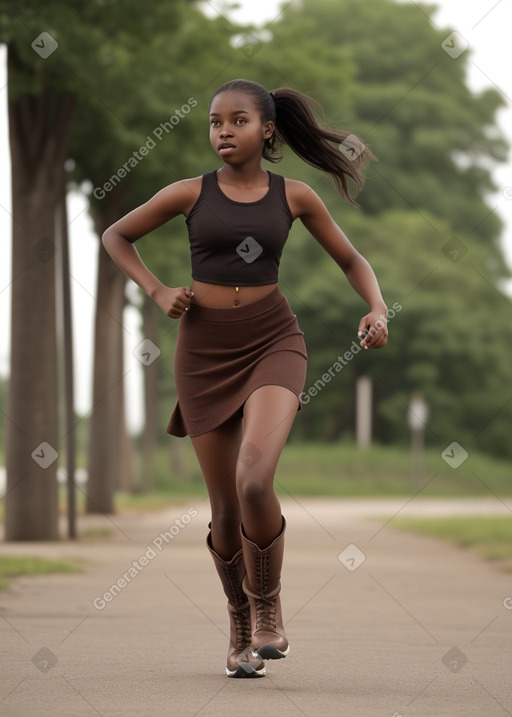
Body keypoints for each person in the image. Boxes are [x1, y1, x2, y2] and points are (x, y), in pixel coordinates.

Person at [102, 79, 388, 679]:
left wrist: (377, 307)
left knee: (255, 479)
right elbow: (116, 235)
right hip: (203, 352)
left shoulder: (296, 196)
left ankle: (267, 609)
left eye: (237, 121)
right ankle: (238, 623)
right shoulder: (188, 193)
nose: (223, 131)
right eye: (214, 122)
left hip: (273, 341)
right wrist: (156, 289)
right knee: (226, 508)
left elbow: (351, 259)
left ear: (268, 130)